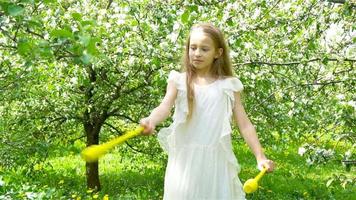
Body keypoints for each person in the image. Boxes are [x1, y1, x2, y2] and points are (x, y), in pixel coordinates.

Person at [140, 23, 275, 200]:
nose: (197, 53)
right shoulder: (178, 81)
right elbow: (165, 107)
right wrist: (151, 120)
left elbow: (244, 124)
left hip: (216, 163)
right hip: (184, 165)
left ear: (218, 53)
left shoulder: (228, 85)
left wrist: (260, 156)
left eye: (204, 49)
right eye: (193, 47)